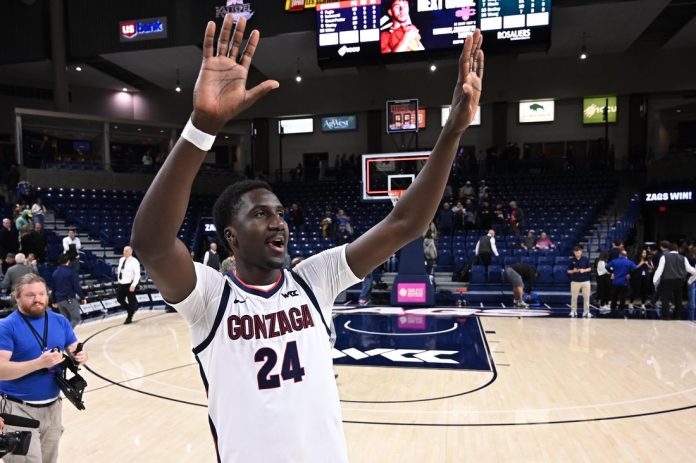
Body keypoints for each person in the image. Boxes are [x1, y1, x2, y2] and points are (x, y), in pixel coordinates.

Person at [130, 14, 483, 463]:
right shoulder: (211, 298)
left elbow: (405, 224)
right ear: (231, 237)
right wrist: (201, 127)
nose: (278, 222)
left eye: (280, 213)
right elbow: (152, 243)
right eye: (261, 215)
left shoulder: (314, 279)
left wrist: (452, 131)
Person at [0, 273, 87, 463]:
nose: (37, 299)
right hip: (17, 410)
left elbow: (75, 349)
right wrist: (39, 363)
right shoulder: (6, 327)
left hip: (53, 408)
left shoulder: (60, 321)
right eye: (30, 295)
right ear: (17, 297)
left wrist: (80, 356)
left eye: (41, 294)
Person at [652, 242, 696, 320]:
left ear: (669, 250)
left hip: (667, 280)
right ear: (677, 249)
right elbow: (690, 269)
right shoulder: (683, 258)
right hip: (679, 281)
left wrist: (654, 280)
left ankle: (666, 316)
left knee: (666, 298)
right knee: (678, 299)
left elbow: (659, 270)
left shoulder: (664, 257)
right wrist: (693, 276)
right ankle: (677, 316)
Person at [51, 253, 85, 328]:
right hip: (69, 299)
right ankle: (66, 333)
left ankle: (66, 334)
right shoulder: (71, 272)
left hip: (59, 300)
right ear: (68, 261)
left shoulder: (55, 273)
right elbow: (76, 286)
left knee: (66, 320)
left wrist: (54, 301)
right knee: (76, 318)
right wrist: (82, 297)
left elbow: (53, 288)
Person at [606, 250, 638, 314]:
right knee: (622, 297)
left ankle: (613, 309)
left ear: (619, 255)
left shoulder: (614, 261)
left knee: (614, 297)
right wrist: (630, 274)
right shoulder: (629, 262)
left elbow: (607, 266)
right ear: (626, 255)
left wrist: (612, 272)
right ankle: (621, 310)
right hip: (624, 282)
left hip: (615, 281)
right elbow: (636, 268)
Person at [116, 246, 141, 324]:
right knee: (119, 299)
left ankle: (129, 317)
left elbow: (137, 274)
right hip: (121, 283)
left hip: (129, 284)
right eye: (124, 251)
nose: (124, 252)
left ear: (130, 252)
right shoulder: (121, 259)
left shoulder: (134, 261)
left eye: (126, 251)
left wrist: (133, 285)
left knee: (131, 301)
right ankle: (131, 310)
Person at [567, 246, 592, 318]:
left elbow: (590, 268)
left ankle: (586, 311)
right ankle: (573, 310)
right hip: (575, 281)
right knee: (574, 297)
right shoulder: (571, 260)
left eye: (578, 252)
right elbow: (568, 271)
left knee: (586, 297)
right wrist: (573, 271)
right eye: (575, 252)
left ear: (581, 252)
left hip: (585, 281)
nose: (577, 254)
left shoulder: (585, 259)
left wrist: (584, 270)